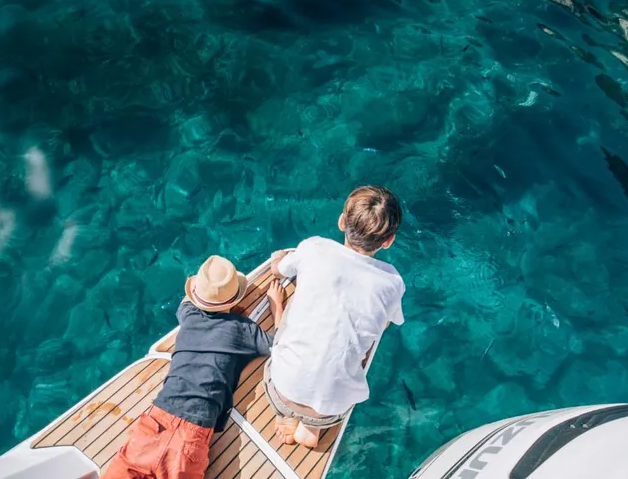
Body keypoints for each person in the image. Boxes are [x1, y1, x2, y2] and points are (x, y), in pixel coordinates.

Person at [101, 255, 288, 479]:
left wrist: (221, 305)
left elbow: (187, 302)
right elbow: (281, 346)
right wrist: (277, 306)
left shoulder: (188, 315)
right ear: (235, 299)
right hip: (192, 434)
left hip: (156, 422)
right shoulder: (242, 330)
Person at [265, 185, 405, 448]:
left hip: (280, 389)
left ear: (342, 222)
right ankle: (310, 429)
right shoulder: (393, 283)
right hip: (331, 408)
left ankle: (288, 414)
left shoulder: (314, 248)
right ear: (388, 241)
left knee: (298, 310)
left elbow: (277, 271)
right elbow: (386, 323)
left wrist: (281, 258)